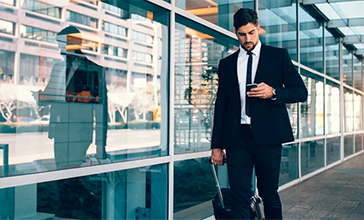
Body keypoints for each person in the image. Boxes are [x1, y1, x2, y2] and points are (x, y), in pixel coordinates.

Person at [210, 8, 308, 219]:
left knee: (269, 194)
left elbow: (301, 92)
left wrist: (273, 92)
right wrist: (216, 146)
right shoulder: (226, 64)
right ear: (235, 32)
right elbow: (221, 106)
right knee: (239, 196)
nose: (247, 39)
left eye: (252, 33)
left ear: (258, 29)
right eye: (242, 34)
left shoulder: (277, 56)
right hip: (237, 139)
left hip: (269, 138)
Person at [35, 26, 107, 169]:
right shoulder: (58, 67)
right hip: (59, 130)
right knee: (61, 173)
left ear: (73, 44)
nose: (59, 48)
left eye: (61, 44)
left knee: (71, 175)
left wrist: (101, 144)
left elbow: (101, 109)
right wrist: (41, 97)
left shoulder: (93, 70)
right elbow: (52, 94)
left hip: (79, 133)